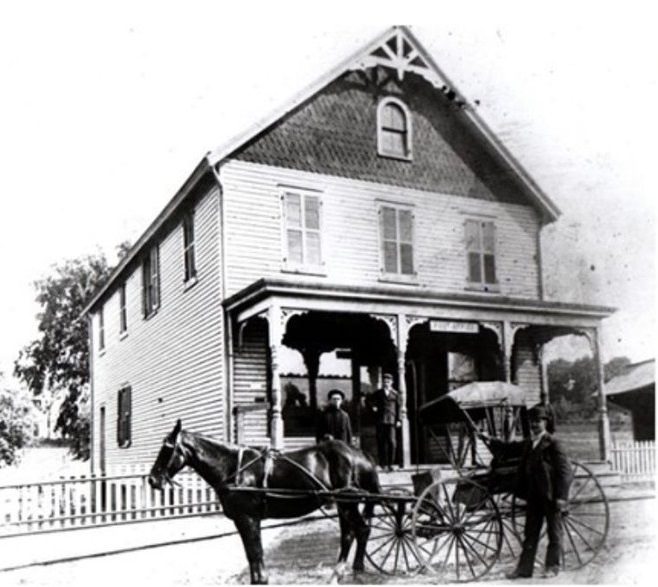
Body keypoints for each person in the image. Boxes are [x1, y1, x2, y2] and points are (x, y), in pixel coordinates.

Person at [479, 405, 572, 579]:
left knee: (554, 532)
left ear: (545, 422)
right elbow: (509, 448)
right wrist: (489, 439)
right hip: (533, 495)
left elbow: (565, 472)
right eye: (532, 422)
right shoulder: (529, 443)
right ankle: (524, 569)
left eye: (538, 421)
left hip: (551, 496)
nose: (534, 425)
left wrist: (561, 497)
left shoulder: (553, 443)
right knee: (530, 533)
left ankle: (552, 567)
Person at [368, 372, 401, 471]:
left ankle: (391, 464)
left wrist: (398, 420)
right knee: (381, 442)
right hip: (380, 420)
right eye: (384, 381)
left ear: (392, 382)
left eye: (388, 381)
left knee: (392, 442)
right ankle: (383, 464)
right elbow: (368, 400)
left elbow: (399, 407)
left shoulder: (395, 394)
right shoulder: (378, 393)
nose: (386, 383)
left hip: (391, 420)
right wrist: (373, 407)